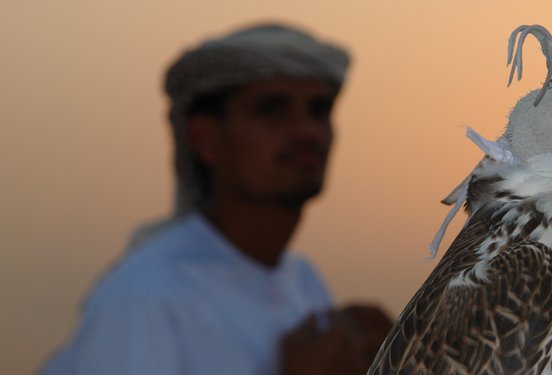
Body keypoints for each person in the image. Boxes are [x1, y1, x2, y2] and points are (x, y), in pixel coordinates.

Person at [42, 23, 391, 374]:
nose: (307, 131)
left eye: (319, 110)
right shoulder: (148, 298)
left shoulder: (302, 282)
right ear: (204, 138)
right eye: (271, 109)